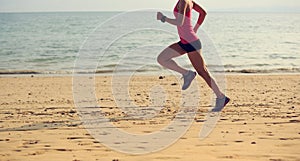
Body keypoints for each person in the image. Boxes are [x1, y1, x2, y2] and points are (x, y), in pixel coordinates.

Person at [156, 0, 230, 112]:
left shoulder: (183, 1)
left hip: (191, 43)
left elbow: (179, 22)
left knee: (203, 72)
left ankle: (221, 97)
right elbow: (203, 13)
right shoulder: (189, 1)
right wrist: (194, 29)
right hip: (185, 42)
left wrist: (163, 18)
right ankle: (187, 73)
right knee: (162, 58)